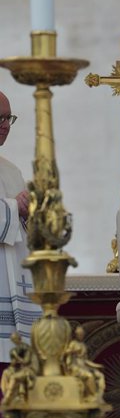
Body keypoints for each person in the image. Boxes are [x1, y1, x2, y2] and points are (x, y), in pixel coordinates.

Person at [0, 91, 42, 365]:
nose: (5, 125)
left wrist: (33, 210)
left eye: (8, 118)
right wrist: (14, 208)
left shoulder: (11, 171)